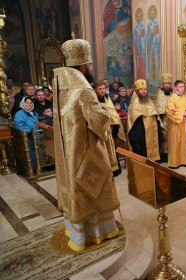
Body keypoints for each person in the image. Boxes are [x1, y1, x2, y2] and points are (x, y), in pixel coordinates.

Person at [52, 38, 120, 252]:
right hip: (87, 150)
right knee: (93, 189)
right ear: (82, 67)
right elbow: (98, 122)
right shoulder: (84, 90)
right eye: (89, 65)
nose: (91, 68)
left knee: (76, 187)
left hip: (68, 151)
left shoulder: (60, 86)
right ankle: (96, 233)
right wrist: (107, 113)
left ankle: (76, 233)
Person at [93, 81, 126, 176]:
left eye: (103, 88)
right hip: (100, 131)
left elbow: (113, 113)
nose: (102, 91)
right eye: (100, 89)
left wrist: (115, 126)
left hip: (110, 129)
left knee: (112, 148)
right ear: (95, 90)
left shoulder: (107, 98)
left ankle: (114, 169)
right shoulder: (93, 100)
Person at [127, 79, 163, 160]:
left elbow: (156, 116)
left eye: (145, 89)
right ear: (136, 91)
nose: (144, 91)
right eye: (141, 89)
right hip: (140, 134)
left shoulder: (150, 102)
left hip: (153, 133)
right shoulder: (133, 105)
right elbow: (133, 121)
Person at [166, 80, 186, 168]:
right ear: (176, 87)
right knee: (176, 142)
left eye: (183, 86)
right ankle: (174, 162)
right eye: (180, 87)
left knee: (185, 142)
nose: (182, 88)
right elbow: (169, 112)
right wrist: (182, 113)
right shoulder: (171, 98)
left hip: (185, 124)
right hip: (176, 124)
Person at [13, 96, 40, 172]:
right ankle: (33, 168)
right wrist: (29, 130)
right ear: (23, 104)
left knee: (37, 152)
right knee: (31, 153)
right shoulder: (19, 114)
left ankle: (38, 167)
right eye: (27, 103)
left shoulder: (34, 112)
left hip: (36, 135)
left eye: (31, 103)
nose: (30, 104)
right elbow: (19, 126)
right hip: (28, 137)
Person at [154, 73, 173, 162]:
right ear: (163, 84)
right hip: (163, 120)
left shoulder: (173, 93)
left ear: (170, 84)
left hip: (173, 120)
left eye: (168, 84)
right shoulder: (160, 93)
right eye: (165, 84)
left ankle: (172, 155)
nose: (167, 85)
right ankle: (164, 155)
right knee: (164, 138)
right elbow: (158, 106)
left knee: (172, 137)